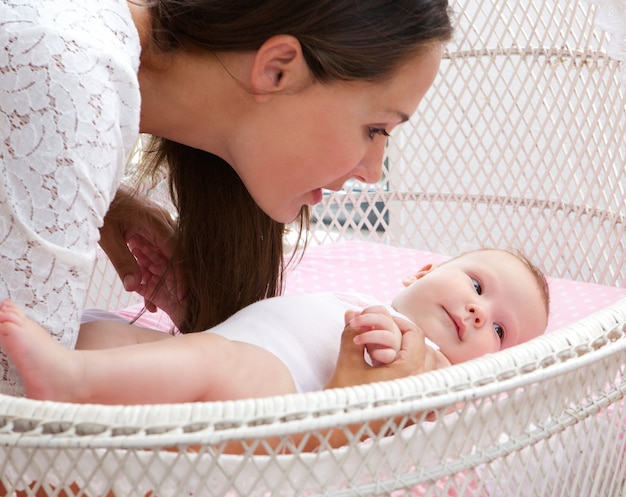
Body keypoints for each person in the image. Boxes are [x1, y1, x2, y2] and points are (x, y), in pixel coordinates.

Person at [0, 0, 454, 395]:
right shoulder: (67, 78)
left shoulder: (75, 65)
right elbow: (20, 431)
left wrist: (102, 201)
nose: (373, 173)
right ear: (277, 69)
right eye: (376, 129)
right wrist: (340, 416)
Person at [0, 249, 549, 404]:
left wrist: (412, 364)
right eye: (477, 286)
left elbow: (406, 398)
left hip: (270, 397)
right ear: (424, 270)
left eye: (500, 332)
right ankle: (63, 373)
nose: (480, 313)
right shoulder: (357, 296)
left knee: (216, 360)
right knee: (103, 328)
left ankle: (70, 380)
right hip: (218, 350)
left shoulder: (429, 361)